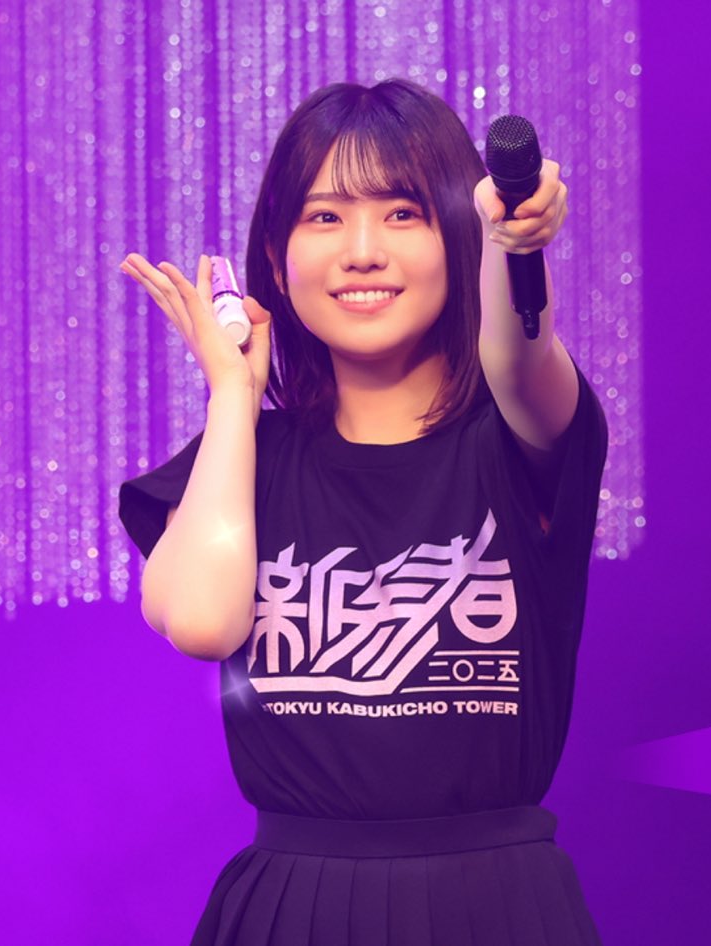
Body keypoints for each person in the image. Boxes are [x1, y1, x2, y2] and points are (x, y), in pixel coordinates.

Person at [116, 78, 608, 946]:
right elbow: (201, 622)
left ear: (458, 238)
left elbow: (519, 357)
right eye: (325, 217)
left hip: (495, 907)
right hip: (289, 909)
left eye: (403, 213)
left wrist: (511, 245)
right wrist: (232, 397)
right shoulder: (235, 463)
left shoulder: (520, 436)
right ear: (278, 262)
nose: (363, 252)